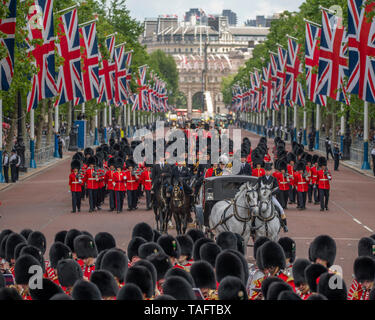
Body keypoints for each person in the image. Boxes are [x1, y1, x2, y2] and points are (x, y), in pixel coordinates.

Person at [257, 163, 288, 232]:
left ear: (271, 171)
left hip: (271, 197)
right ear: (264, 171)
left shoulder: (274, 179)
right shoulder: (260, 178)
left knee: (280, 208)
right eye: (266, 170)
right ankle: (252, 225)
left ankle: (284, 225)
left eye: (269, 171)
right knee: (254, 209)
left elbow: (277, 189)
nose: (267, 172)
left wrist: (271, 193)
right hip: (262, 197)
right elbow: (257, 188)